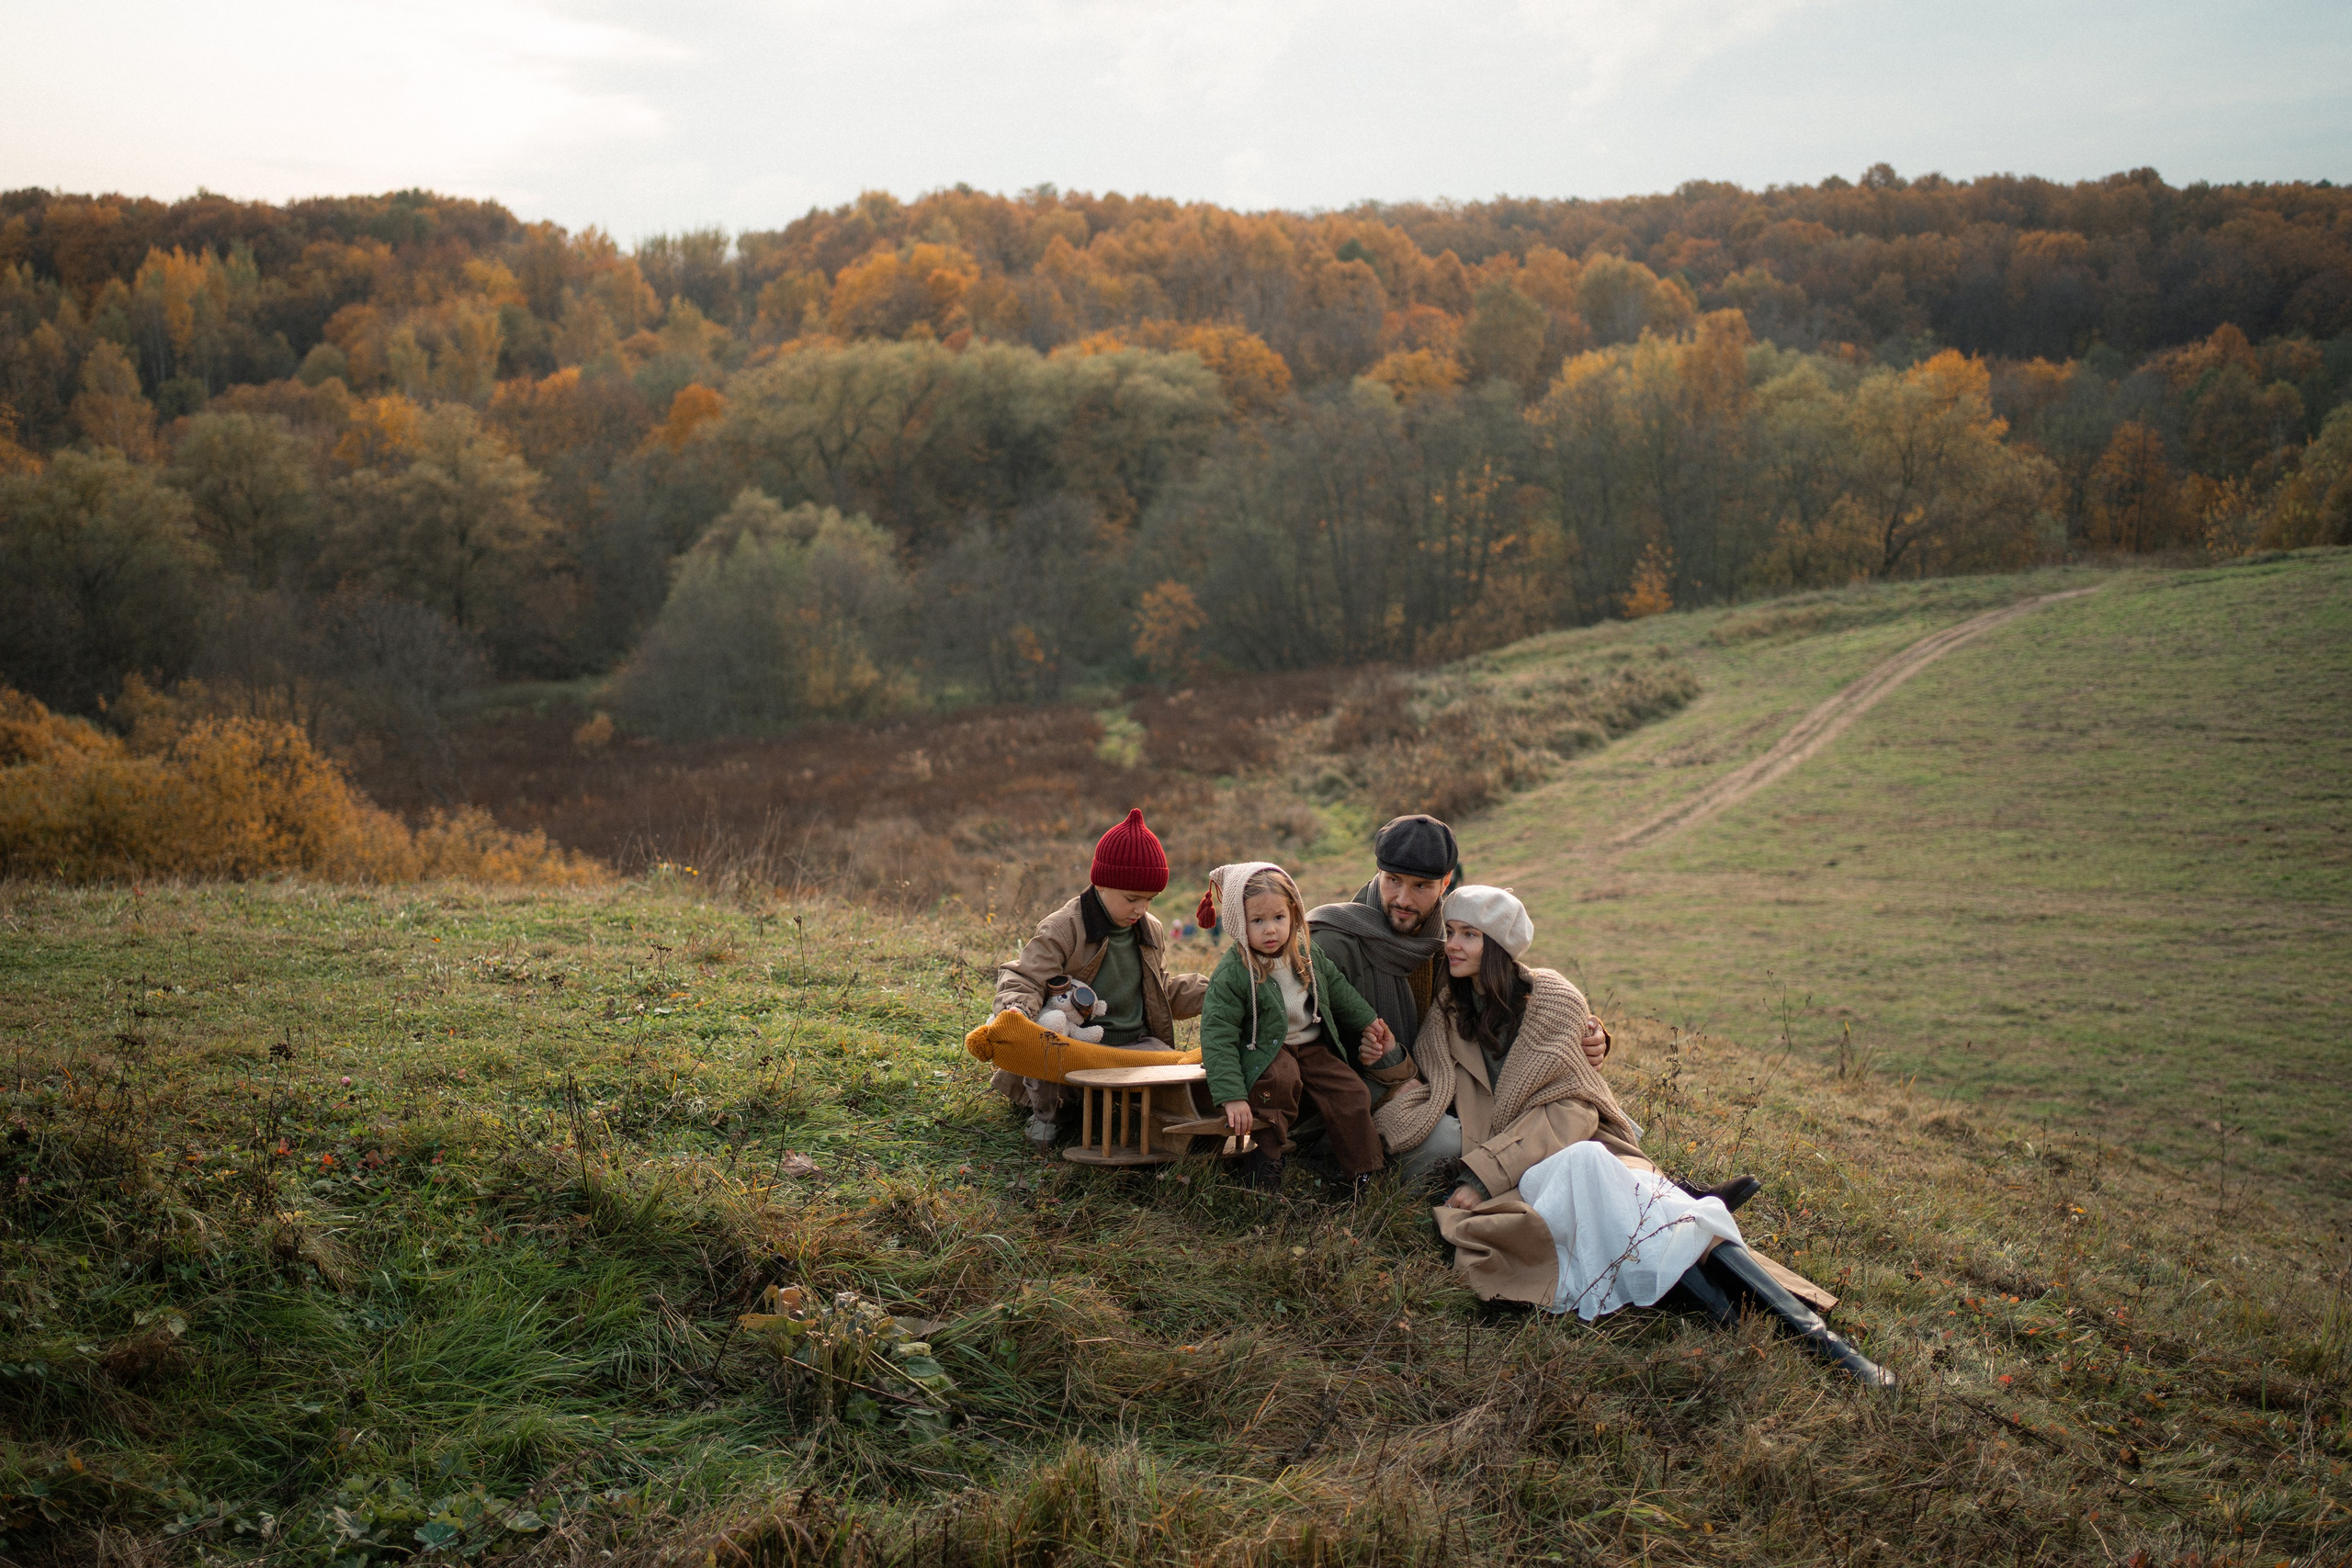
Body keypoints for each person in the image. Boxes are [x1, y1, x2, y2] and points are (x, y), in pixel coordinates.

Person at [1380, 886, 1891, 1386]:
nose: (1453, 944)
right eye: (1450, 931)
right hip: (1530, 1176)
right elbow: (1430, 1083)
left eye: (1470, 934)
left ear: (1500, 947)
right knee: (1660, 1208)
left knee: (1624, 1187)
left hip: (1562, 1152)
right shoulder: (1448, 1012)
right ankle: (1806, 1348)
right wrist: (1386, 1067)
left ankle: (1822, 1347)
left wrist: (1484, 1175)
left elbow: (1573, 1106)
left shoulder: (1553, 999)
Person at [1308, 815, 1610, 1101]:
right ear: (1379, 873)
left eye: (1421, 886)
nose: (1402, 899)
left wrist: (1585, 1033)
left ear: (1446, 882)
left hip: (1441, 1082)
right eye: (1394, 880)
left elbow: (1498, 998)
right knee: (1454, 1141)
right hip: (1356, 1094)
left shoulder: (1449, 936)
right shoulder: (1331, 940)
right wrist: (1390, 1079)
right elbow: (1305, 1043)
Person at [991, 809, 1208, 1147]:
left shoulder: (1150, 929)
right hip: (1078, 1042)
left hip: (1135, 1045)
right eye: (1132, 899)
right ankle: (1049, 1116)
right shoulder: (1064, 927)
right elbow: (1026, 977)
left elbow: (1159, 990)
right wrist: (1018, 1009)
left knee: (1185, 1074)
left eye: (1150, 900)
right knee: (1049, 1048)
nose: (1141, 909)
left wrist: (1214, 994)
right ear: (1101, 883)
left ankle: (1170, 1128)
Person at [1197, 862, 1397, 1198]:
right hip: (1264, 1052)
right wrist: (1232, 1097)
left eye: (1278, 918)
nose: (1271, 930)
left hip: (1310, 1045)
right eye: (1257, 921)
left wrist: (1368, 1020)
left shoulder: (1305, 952)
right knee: (1280, 1082)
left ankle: (1363, 1172)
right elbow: (1217, 1036)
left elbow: (1337, 986)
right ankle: (1264, 1170)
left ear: (1294, 914)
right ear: (1237, 922)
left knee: (1351, 1091)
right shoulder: (1234, 972)